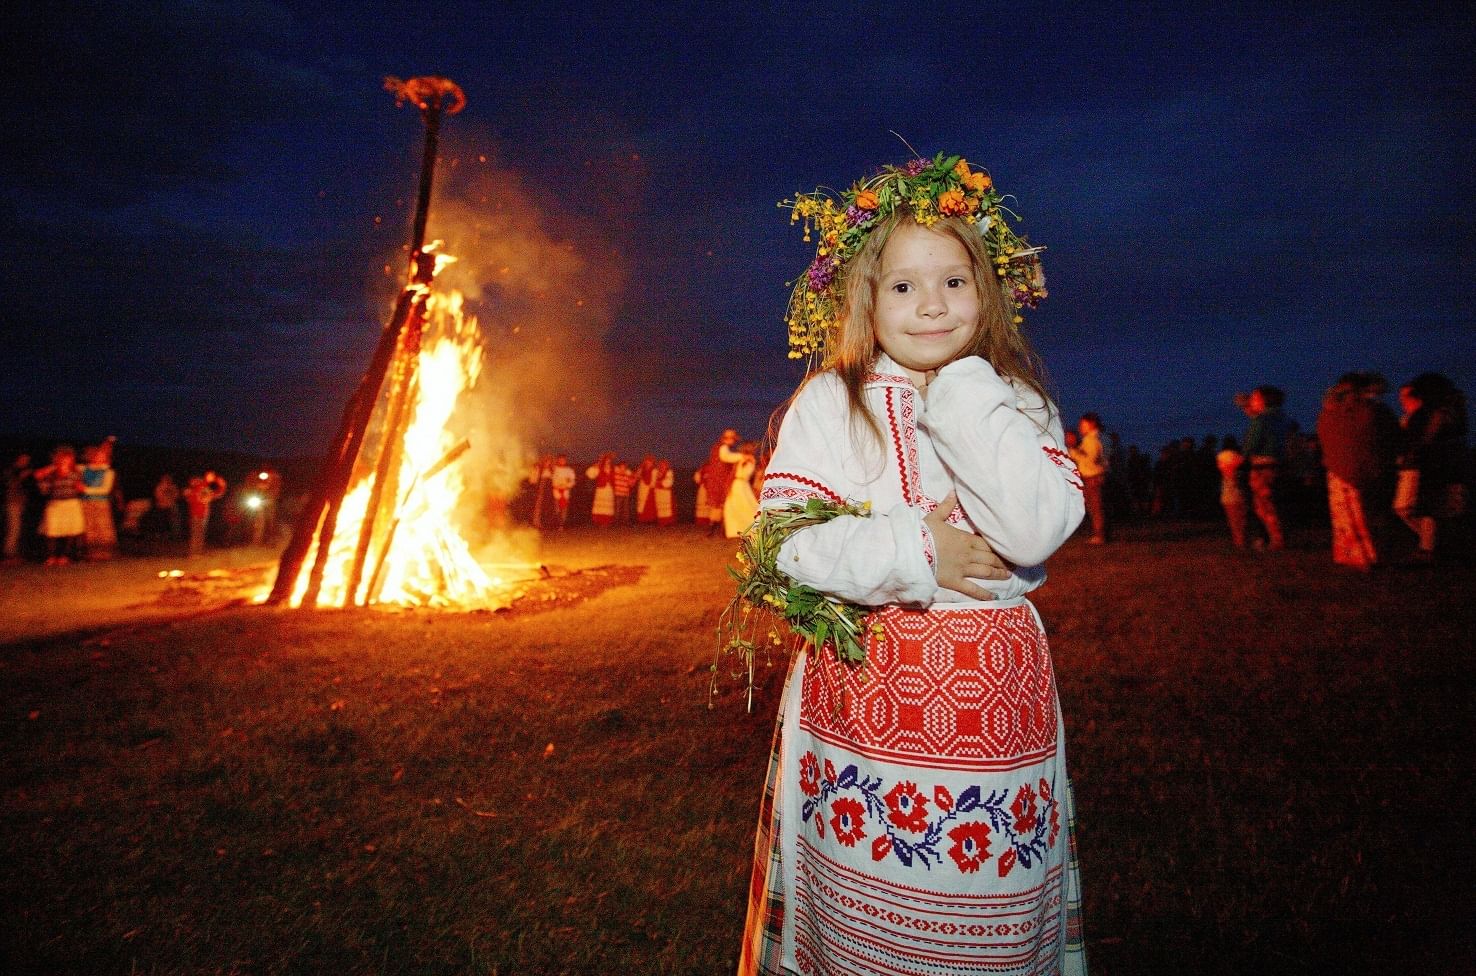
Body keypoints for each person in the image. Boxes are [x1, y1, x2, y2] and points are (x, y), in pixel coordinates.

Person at [738, 154, 1086, 975]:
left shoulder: (1017, 401)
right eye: (902, 286)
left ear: (987, 292)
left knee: (989, 926)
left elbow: (1035, 531)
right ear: (864, 297)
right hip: (863, 708)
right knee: (867, 927)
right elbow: (782, 543)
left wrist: (965, 392)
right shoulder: (832, 401)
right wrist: (915, 552)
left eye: (954, 282)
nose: (931, 305)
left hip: (998, 714)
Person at [1317, 373, 1399, 570]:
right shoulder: (1377, 411)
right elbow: (1393, 437)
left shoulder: (1332, 412)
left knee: (1350, 516)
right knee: (1372, 514)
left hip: (1341, 470)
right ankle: (1375, 555)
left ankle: (1357, 556)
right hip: (1373, 468)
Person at [1393, 373, 1469, 562]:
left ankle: (1432, 546)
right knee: (1427, 509)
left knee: (1417, 508)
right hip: (1432, 465)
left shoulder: (1435, 414)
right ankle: (1431, 546)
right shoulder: (1431, 414)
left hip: (1430, 466)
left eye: (1408, 395)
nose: (1403, 400)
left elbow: (1426, 439)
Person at [1241, 385, 1296, 550]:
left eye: (1255, 398)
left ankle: (1277, 540)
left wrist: (1243, 456)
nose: (1252, 401)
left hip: (1261, 466)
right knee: (1274, 503)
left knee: (1264, 505)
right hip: (1278, 465)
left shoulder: (1261, 420)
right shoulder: (1283, 419)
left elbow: (1251, 445)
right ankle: (1278, 537)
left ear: (1265, 401)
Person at [35, 446, 86, 565]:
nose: (65, 461)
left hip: (71, 503)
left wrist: (81, 488)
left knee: (70, 530)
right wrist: (43, 481)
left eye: (68, 459)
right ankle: (51, 556)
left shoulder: (76, 473)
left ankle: (64, 556)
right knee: (52, 531)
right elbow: (43, 489)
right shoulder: (51, 473)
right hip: (55, 504)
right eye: (62, 458)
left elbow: (81, 488)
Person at [1068, 412, 1109, 543]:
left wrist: (1074, 451)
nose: (1080, 427)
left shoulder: (1091, 440)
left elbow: (1090, 460)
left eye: (1082, 424)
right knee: (1094, 507)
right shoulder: (1095, 439)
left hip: (1093, 477)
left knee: (1095, 508)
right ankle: (1100, 533)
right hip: (1094, 477)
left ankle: (1100, 535)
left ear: (1091, 424)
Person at [80, 442, 118, 559]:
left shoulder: (108, 472)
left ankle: (106, 553)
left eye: (103, 455)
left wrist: (85, 489)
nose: (100, 457)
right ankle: (91, 553)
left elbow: (105, 490)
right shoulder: (83, 469)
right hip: (86, 503)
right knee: (89, 527)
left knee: (103, 527)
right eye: (97, 455)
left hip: (101, 503)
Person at [702, 430, 741, 535]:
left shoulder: (718, 447)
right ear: (729, 438)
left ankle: (715, 529)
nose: (734, 442)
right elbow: (726, 457)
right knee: (720, 503)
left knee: (718, 504)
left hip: (717, 478)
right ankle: (717, 529)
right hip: (720, 479)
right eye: (734, 439)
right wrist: (742, 456)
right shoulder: (723, 447)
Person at [183, 471, 227, 556]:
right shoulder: (197, 487)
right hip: (196, 513)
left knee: (200, 534)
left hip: (204, 514)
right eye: (210, 476)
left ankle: (198, 552)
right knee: (196, 534)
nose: (212, 477)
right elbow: (192, 497)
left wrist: (222, 486)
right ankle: (194, 553)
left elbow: (216, 494)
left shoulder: (205, 487)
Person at [1216, 435, 1248, 548]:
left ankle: (1238, 540)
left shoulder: (1220, 456)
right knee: (1242, 517)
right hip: (1239, 490)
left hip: (1227, 490)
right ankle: (1242, 540)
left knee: (1232, 519)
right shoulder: (1239, 457)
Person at [723, 441, 760, 538]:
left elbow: (745, 473)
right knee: (732, 506)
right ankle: (736, 529)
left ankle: (750, 528)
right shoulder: (743, 458)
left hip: (741, 484)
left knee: (745, 505)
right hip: (737, 484)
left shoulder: (750, 459)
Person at [4, 452, 34, 561]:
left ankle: (17, 553)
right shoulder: (11, 471)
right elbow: (11, 485)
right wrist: (22, 477)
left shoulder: (23, 471)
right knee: (14, 528)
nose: (25, 462)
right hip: (13, 503)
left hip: (22, 503)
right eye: (23, 459)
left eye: (27, 460)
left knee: (20, 528)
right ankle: (9, 554)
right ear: (18, 459)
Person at [586, 453, 616, 527]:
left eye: (609, 461)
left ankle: (607, 522)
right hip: (601, 489)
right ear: (604, 461)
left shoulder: (613, 469)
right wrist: (594, 466)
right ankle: (598, 521)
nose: (608, 462)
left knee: (607, 506)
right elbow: (590, 475)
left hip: (609, 489)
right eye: (607, 460)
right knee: (600, 506)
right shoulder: (599, 468)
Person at [550, 455, 576, 530]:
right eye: (560, 460)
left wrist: (567, 485)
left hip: (565, 491)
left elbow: (572, 480)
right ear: (558, 460)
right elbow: (553, 479)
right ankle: (557, 524)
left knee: (564, 509)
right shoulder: (555, 469)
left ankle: (562, 525)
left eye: (563, 460)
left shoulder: (569, 470)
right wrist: (557, 485)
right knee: (557, 508)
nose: (562, 461)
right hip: (557, 491)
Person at [153, 473, 182, 540]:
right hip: (161, 506)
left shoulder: (173, 487)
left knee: (175, 514)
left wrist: (170, 496)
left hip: (171, 505)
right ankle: (160, 533)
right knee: (160, 518)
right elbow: (158, 496)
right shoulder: (160, 487)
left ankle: (175, 534)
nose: (167, 481)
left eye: (168, 479)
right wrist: (165, 498)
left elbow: (177, 496)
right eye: (165, 479)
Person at [652, 458, 676, 526]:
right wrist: (657, 484)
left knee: (667, 508)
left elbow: (669, 482)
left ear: (666, 466)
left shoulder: (669, 472)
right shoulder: (656, 472)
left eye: (664, 465)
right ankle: (661, 521)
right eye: (661, 465)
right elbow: (654, 482)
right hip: (658, 493)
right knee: (660, 507)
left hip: (666, 493)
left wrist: (660, 483)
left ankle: (667, 522)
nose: (662, 466)